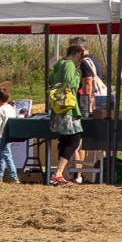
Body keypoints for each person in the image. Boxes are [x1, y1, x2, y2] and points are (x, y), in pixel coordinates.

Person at [46, 43, 85, 186]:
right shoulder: (69, 65)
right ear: (76, 55)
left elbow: (50, 80)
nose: (79, 62)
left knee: (63, 140)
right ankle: (58, 173)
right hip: (68, 108)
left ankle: (64, 175)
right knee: (74, 140)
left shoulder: (59, 65)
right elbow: (70, 83)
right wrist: (78, 75)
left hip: (58, 108)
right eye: (80, 59)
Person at [0, 86, 18, 183]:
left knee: (7, 155)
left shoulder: (1, 110)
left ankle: (14, 177)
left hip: (3, 136)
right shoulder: (11, 108)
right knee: (2, 156)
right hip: (10, 134)